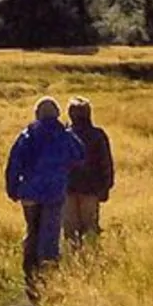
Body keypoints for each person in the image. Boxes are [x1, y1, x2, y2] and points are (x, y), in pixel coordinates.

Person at [4, 96, 85, 297]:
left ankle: (30, 278)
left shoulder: (28, 134)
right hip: (55, 191)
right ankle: (48, 279)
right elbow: (80, 155)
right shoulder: (65, 135)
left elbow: (14, 163)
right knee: (50, 233)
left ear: (37, 114)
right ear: (57, 114)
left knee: (32, 231)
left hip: (29, 193)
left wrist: (13, 189)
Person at [63, 96, 114, 247]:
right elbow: (106, 163)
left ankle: (73, 256)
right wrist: (106, 187)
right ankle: (91, 255)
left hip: (68, 189)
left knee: (70, 230)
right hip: (91, 189)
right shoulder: (98, 135)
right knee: (90, 227)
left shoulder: (65, 135)